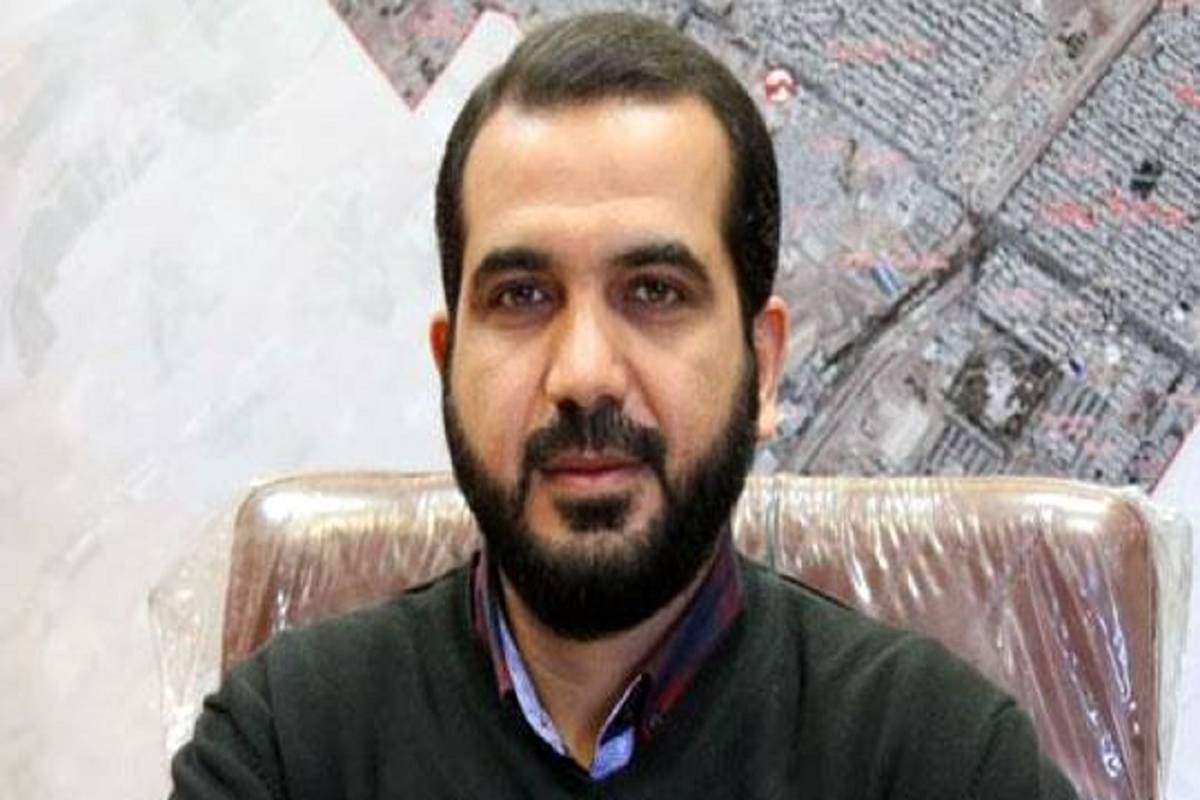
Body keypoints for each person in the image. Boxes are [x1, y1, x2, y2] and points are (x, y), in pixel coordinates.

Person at [170, 12, 1079, 799]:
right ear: (448, 365)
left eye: (654, 291)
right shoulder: (285, 745)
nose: (584, 374)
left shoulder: (941, 760)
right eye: (522, 296)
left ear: (763, 369)